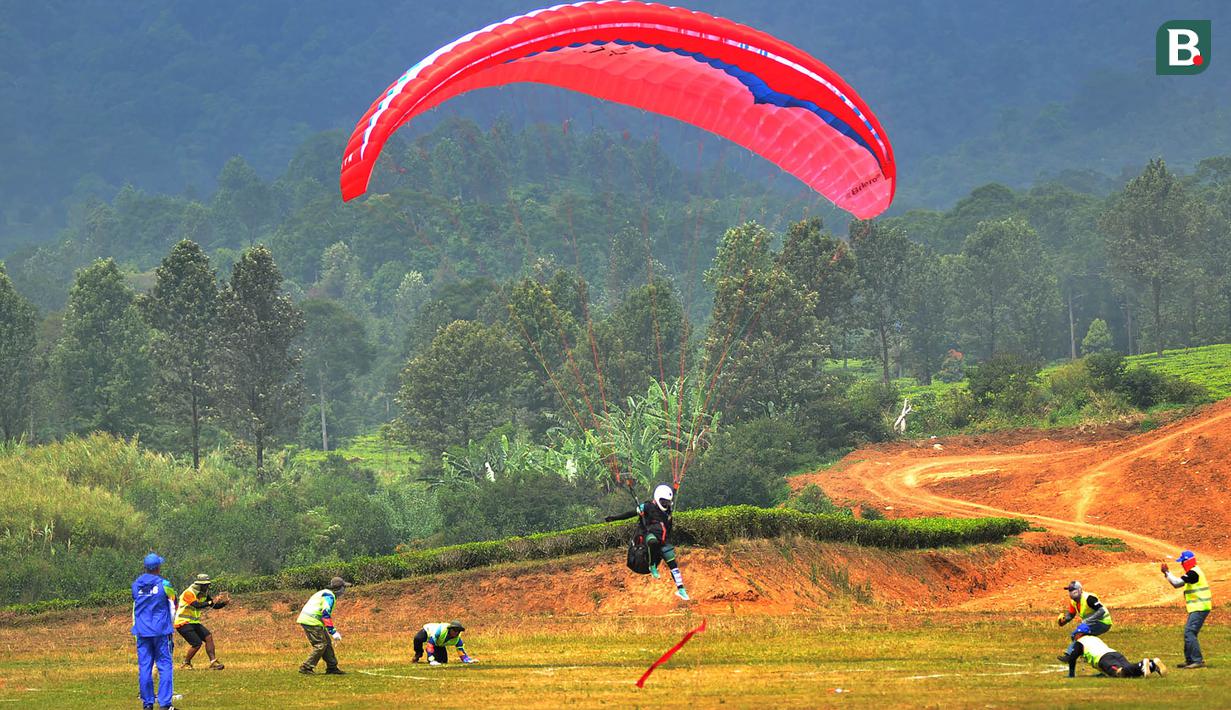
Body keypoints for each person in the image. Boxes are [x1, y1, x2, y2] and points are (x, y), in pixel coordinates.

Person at [605, 483, 689, 600]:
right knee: (652, 541)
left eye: (667, 502)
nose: (666, 504)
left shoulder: (668, 510)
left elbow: (669, 526)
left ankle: (681, 589)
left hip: (663, 541)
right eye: (664, 502)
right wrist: (614, 518)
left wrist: (674, 488)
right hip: (649, 536)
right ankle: (652, 565)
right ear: (658, 498)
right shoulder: (647, 507)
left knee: (673, 563)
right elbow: (630, 514)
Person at [132, 552, 179, 710]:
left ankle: (147, 703)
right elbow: (173, 603)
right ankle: (165, 703)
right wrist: (171, 623)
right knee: (164, 666)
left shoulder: (136, 584)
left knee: (145, 667)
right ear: (158, 568)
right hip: (161, 631)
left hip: (142, 631)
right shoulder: (165, 584)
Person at [1161, 549, 1213, 669]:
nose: (1181, 564)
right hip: (1198, 607)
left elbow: (1177, 583)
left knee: (1189, 632)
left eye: (1182, 562)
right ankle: (1190, 660)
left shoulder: (1193, 573)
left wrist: (1167, 572)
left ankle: (1196, 661)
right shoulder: (1194, 572)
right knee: (1189, 633)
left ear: (1187, 562)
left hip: (1200, 607)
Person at [1066, 623, 1165, 678]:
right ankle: (1152, 664)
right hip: (1114, 653)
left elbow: (1072, 658)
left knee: (1120, 673)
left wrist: (1071, 675)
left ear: (1079, 634)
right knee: (1129, 672)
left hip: (1103, 659)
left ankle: (1142, 664)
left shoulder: (1080, 641)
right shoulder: (1095, 638)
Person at [297, 576, 351, 675]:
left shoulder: (324, 592)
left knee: (327, 643)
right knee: (320, 645)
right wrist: (333, 632)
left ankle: (332, 667)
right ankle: (306, 667)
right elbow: (325, 614)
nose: (344, 591)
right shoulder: (329, 597)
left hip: (311, 620)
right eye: (344, 588)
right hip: (311, 621)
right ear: (340, 589)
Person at [175, 573, 226, 670]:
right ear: (200, 585)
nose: (207, 586)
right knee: (197, 643)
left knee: (208, 637)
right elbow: (196, 605)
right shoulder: (189, 593)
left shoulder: (204, 594)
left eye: (208, 584)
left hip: (193, 622)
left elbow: (213, 606)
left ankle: (213, 662)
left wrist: (223, 603)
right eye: (205, 585)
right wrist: (211, 601)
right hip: (183, 622)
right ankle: (186, 663)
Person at [1056, 580, 1112, 663]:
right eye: (1069, 590)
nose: (1070, 592)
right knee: (1083, 637)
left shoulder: (1089, 598)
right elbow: (1071, 614)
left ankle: (1069, 656)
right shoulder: (1073, 602)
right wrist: (1065, 620)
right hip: (1092, 622)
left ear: (1079, 590)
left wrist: (1088, 621)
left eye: (1072, 590)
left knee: (1078, 634)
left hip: (1103, 622)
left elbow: (1101, 611)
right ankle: (1086, 655)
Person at [412, 620, 477, 665]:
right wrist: (431, 659)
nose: (456, 632)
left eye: (458, 631)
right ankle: (418, 654)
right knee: (418, 638)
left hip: (439, 643)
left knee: (443, 661)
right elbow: (430, 645)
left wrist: (467, 660)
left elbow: (461, 651)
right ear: (450, 629)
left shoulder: (457, 639)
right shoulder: (439, 632)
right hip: (428, 632)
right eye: (454, 630)